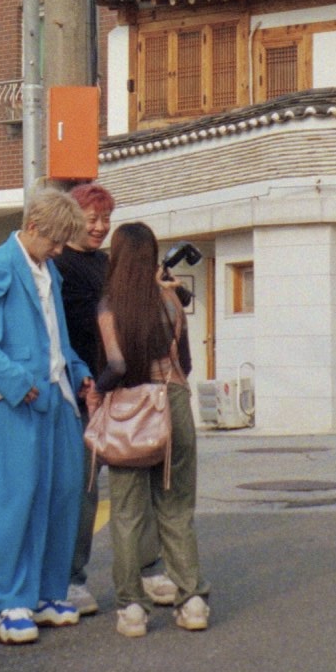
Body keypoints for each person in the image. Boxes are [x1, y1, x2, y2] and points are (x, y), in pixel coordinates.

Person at [0, 185, 97, 644]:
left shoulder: (47, 270)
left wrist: (78, 373)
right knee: (16, 502)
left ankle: (47, 594)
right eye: (54, 241)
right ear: (32, 227)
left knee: (62, 495)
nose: (59, 251)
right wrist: (19, 382)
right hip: (14, 404)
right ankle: (9, 603)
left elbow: (59, 338)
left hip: (56, 399)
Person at [57, 182, 176, 615]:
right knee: (83, 491)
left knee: (137, 483)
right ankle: (71, 580)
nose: (100, 227)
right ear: (71, 219)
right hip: (81, 392)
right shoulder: (57, 266)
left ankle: (148, 569)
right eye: (92, 219)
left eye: (106, 219)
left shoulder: (109, 264)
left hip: (121, 390)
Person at [95, 221, 209, 636]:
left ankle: (132, 610)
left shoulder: (110, 304)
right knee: (176, 507)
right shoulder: (171, 301)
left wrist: (97, 391)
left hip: (131, 410)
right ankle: (192, 600)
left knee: (126, 513)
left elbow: (117, 365)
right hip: (173, 404)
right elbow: (188, 364)